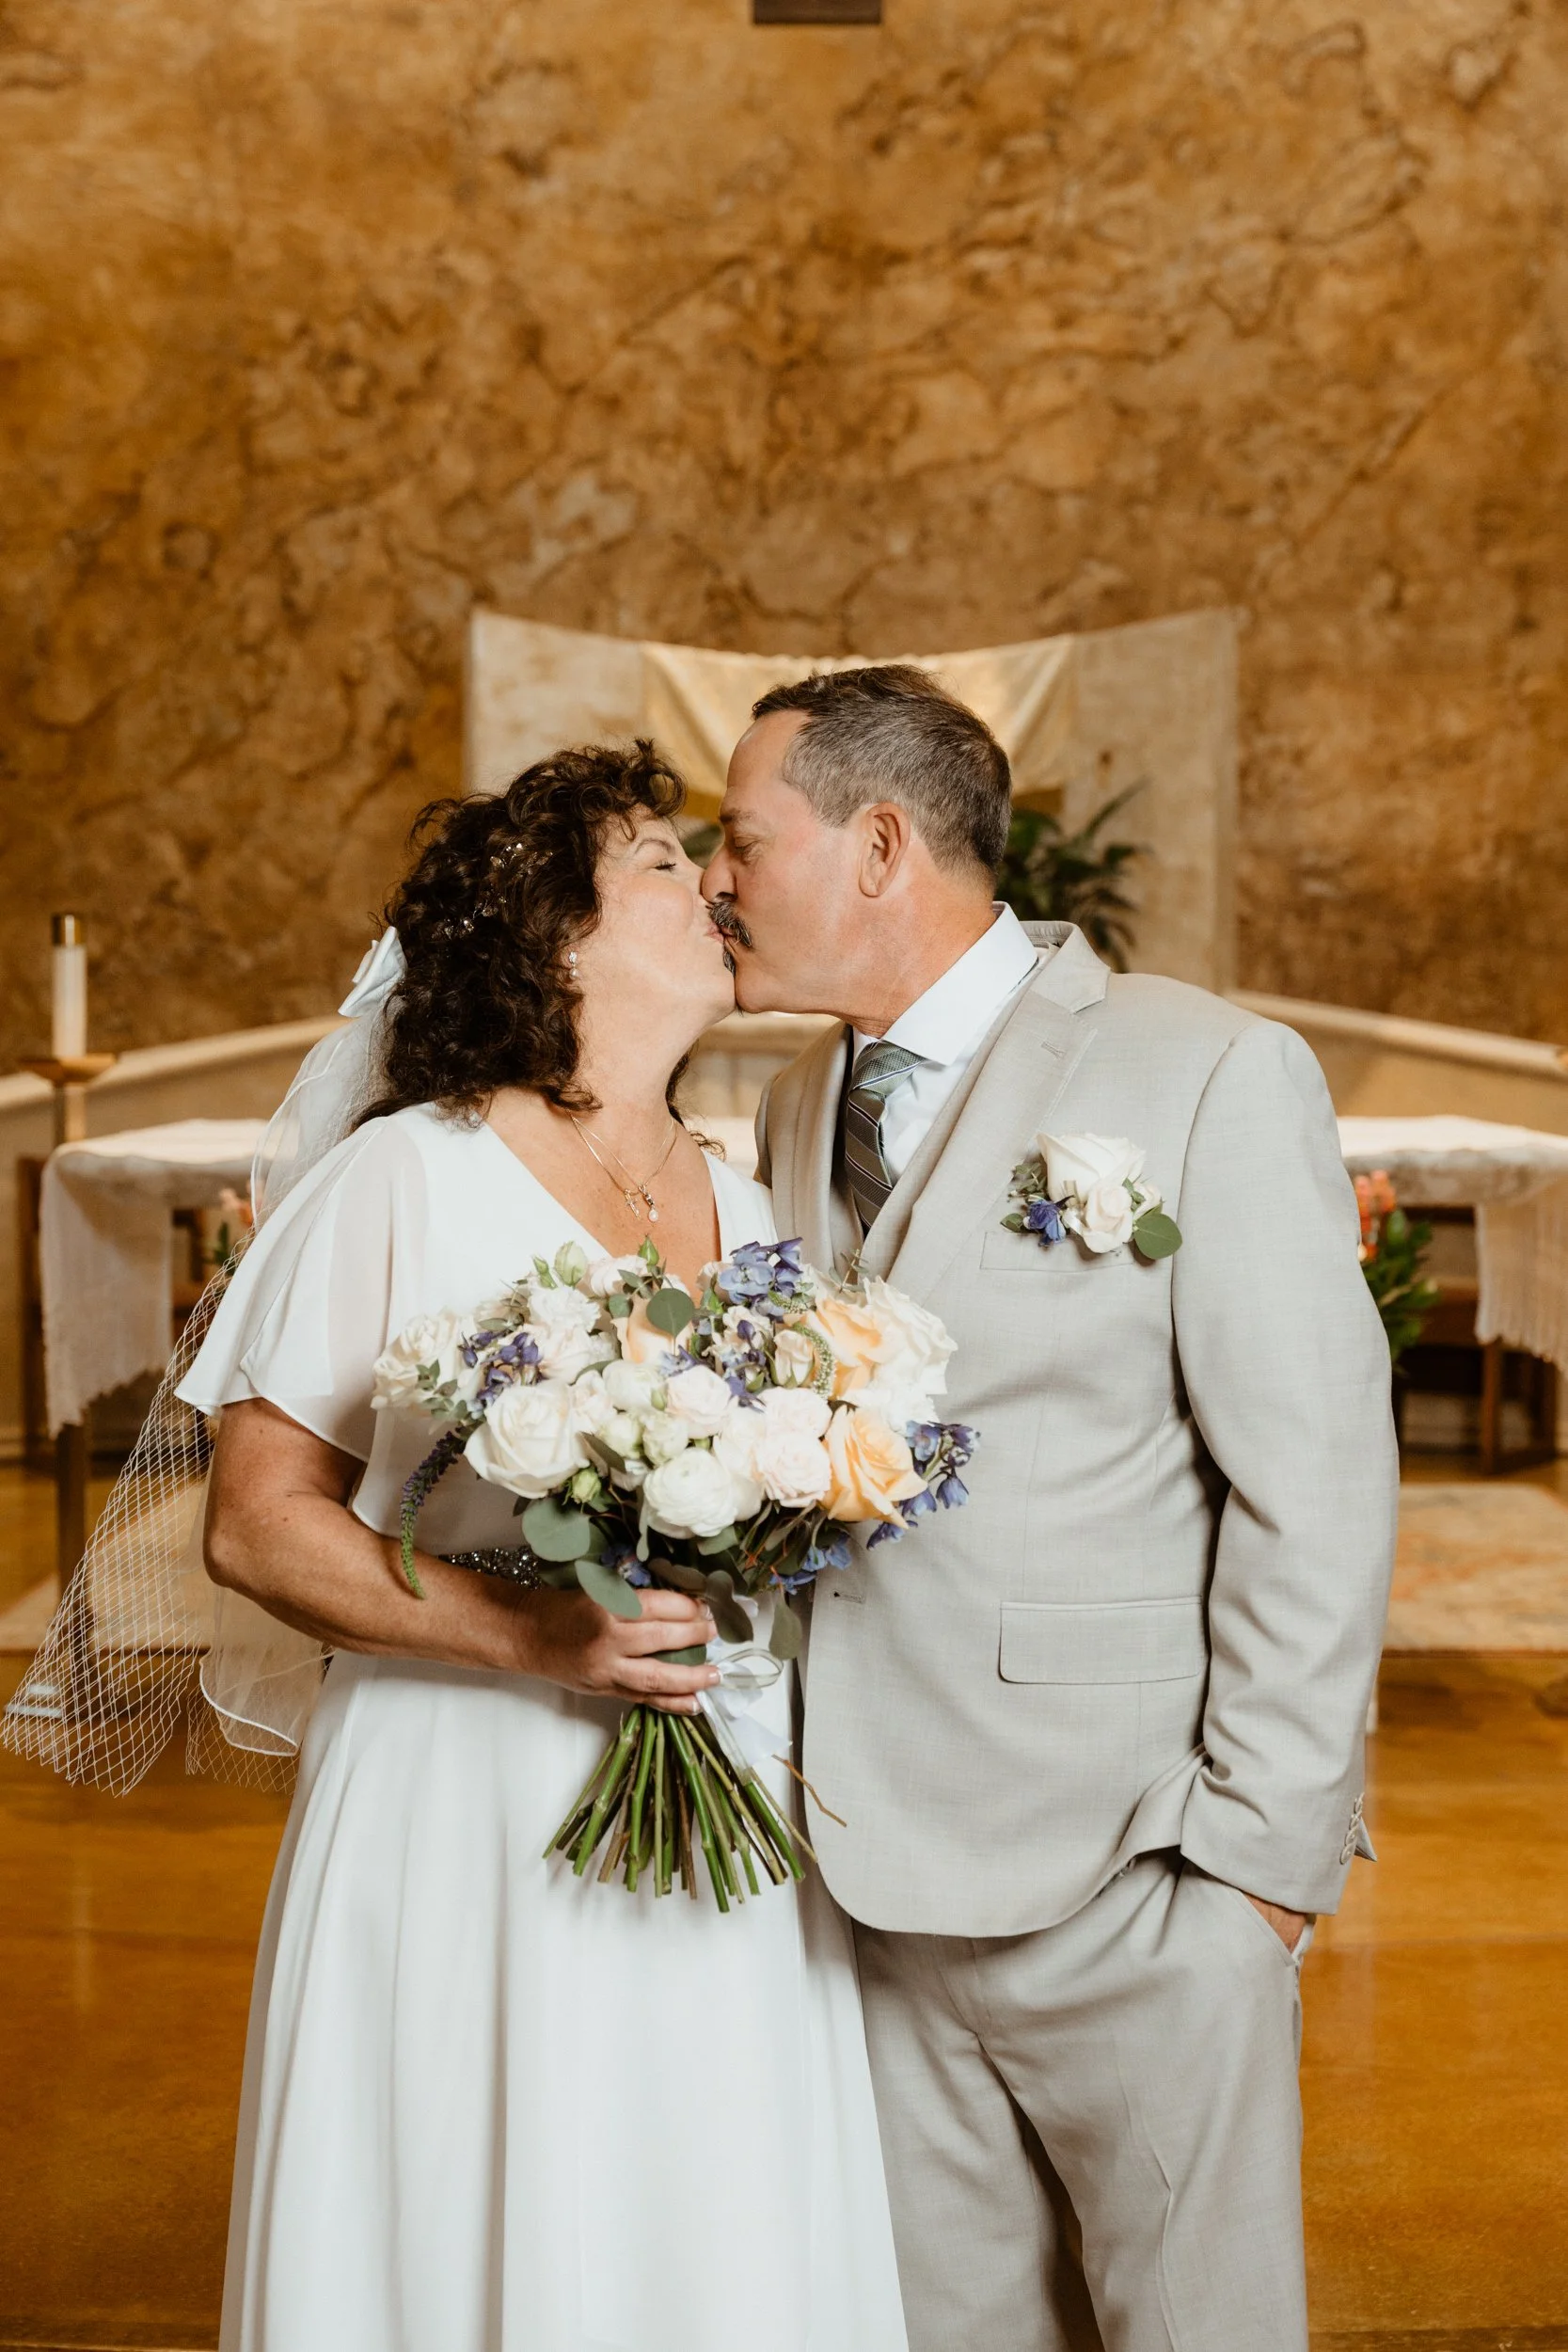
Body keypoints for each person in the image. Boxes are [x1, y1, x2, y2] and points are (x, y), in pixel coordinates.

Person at [177, 743, 908, 2352]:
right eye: (660, 859)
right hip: (462, 1789)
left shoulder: (754, 1199)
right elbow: (254, 1520)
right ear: (551, 937)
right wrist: (531, 1638)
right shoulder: (408, 1173)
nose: (714, 882)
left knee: (709, 2193)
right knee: (470, 2188)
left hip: (728, 1780)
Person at [702, 664, 1398, 2352]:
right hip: (860, 1883)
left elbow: (1313, 1480)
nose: (715, 878)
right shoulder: (799, 1100)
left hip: (1137, 1871)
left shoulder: (1208, 1071)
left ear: (877, 847)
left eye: (741, 839)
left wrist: (1252, 1872)